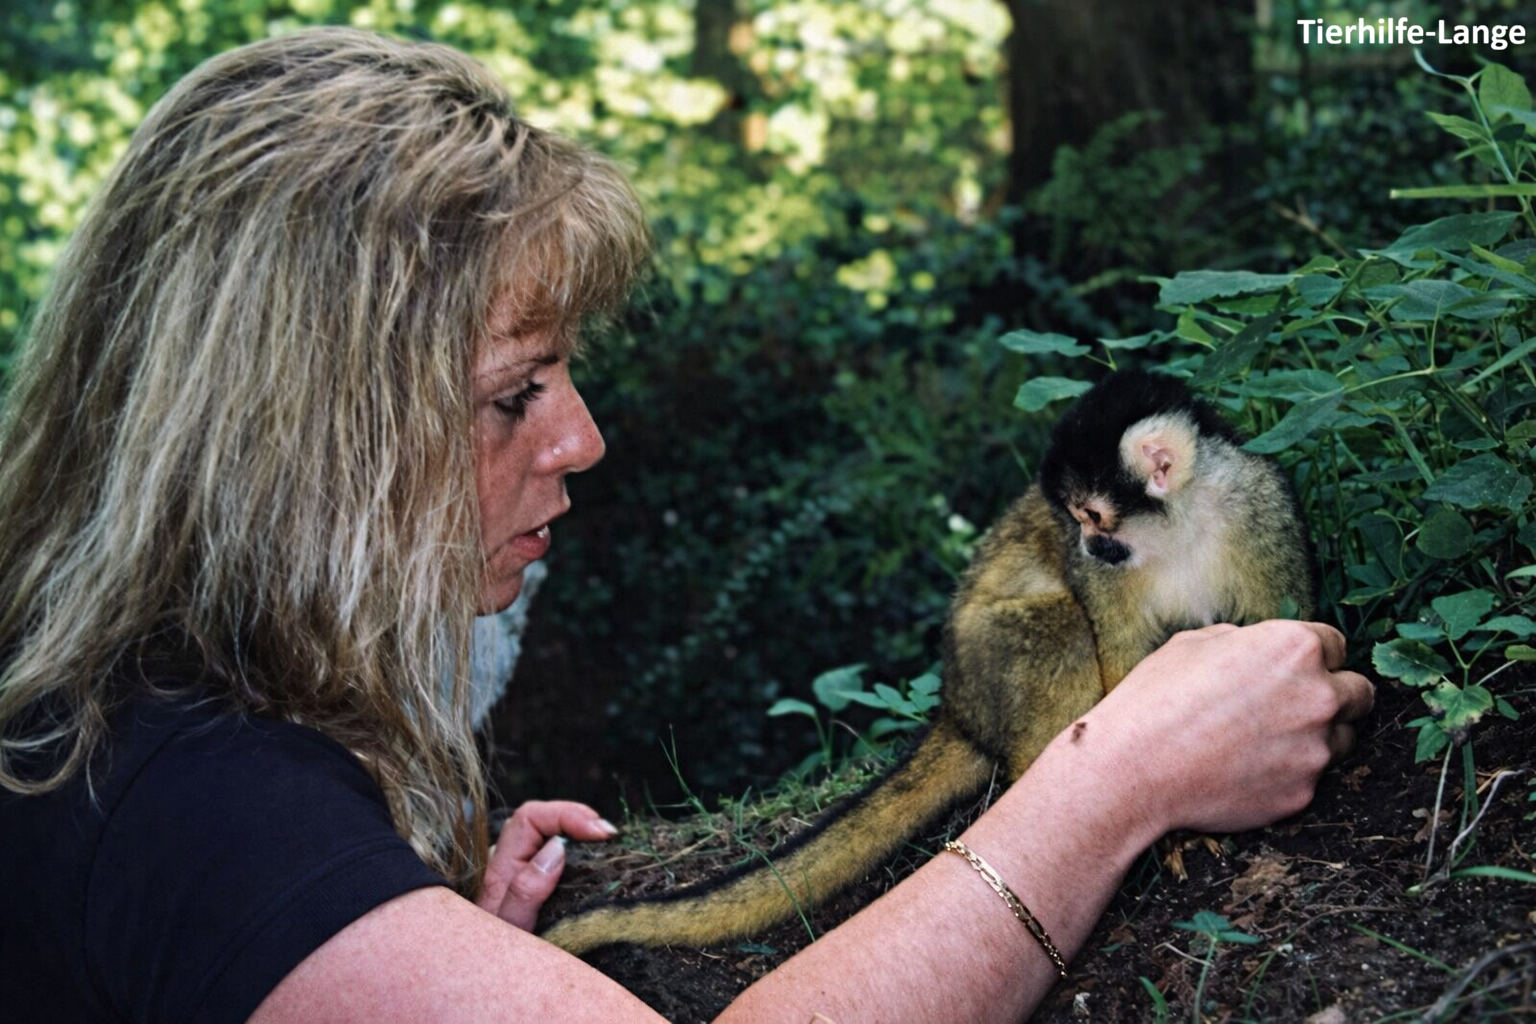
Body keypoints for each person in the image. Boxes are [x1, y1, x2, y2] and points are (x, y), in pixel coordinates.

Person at [0, 27, 1372, 1024]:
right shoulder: (198, 798)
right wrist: (1110, 781)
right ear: (299, 430)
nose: (582, 437)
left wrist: (398, 952)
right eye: (513, 393)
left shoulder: (116, 716)